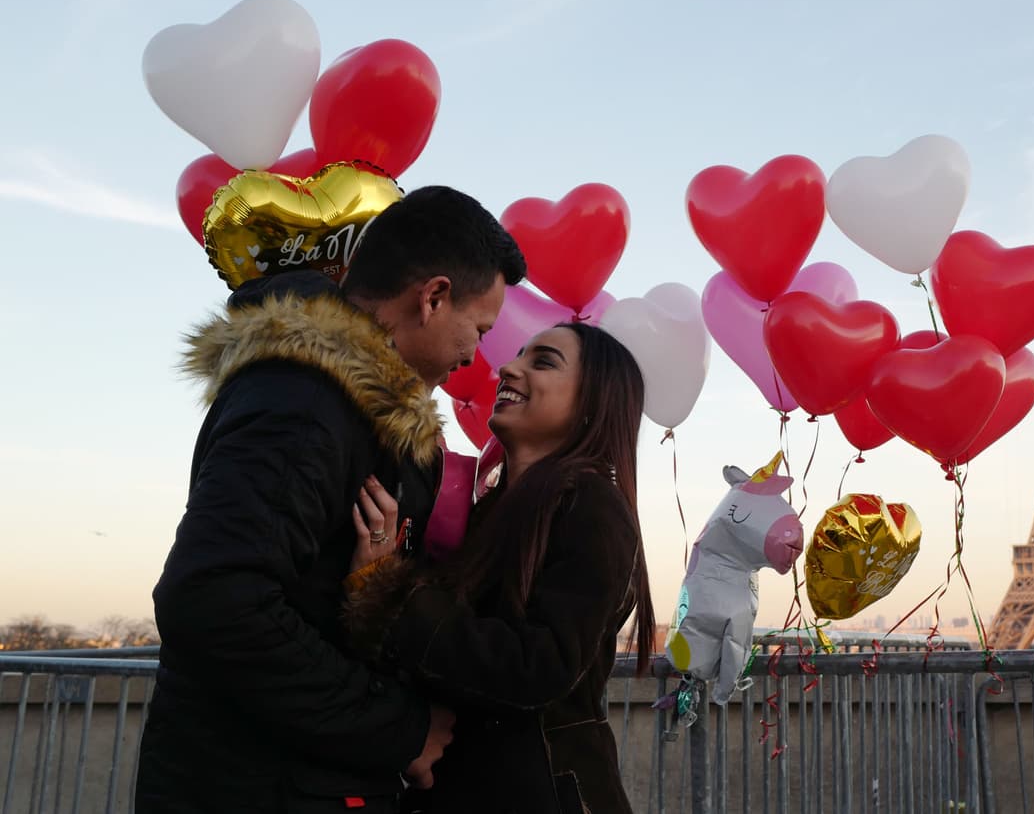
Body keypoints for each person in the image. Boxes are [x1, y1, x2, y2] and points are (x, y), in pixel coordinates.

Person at [136, 186, 527, 813]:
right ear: (432, 297)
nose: (472, 355)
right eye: (475, 329)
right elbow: (214, 600)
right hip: (259, 786)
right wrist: (398, 729)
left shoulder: (349, 408)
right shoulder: (303, 402)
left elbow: (302, 591)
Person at [343, 322, 657, 814]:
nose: (509, 368)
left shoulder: (592, 504)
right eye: (518, 355)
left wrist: (388, 588)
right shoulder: (495, 506)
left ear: (595, 401)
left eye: (543, 361)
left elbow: (539, 667)